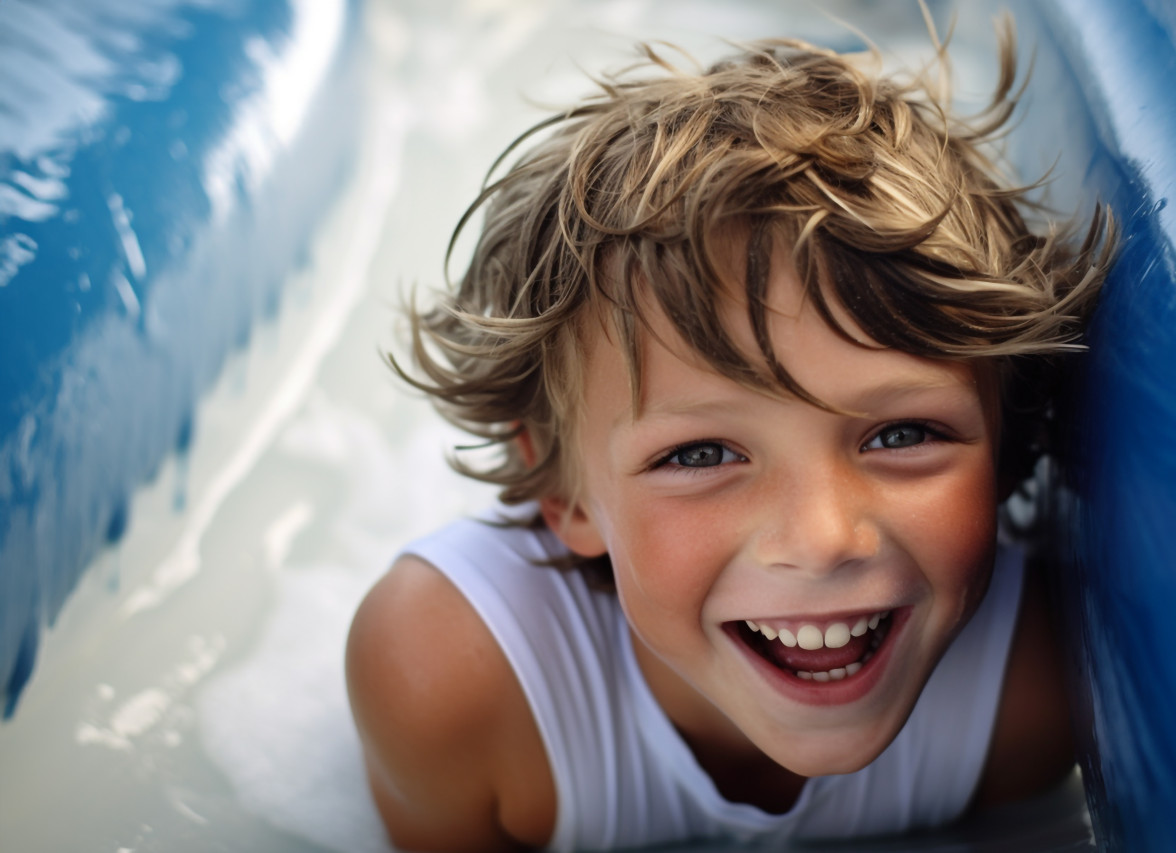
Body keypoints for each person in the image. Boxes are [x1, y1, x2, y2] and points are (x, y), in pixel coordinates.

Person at [346, 21, 1113, 852]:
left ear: (1006, 445)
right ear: (564, 496)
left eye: (901, 433)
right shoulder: (461, 692)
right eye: (701, 455)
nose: (821, 541)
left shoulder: (1035, 696)